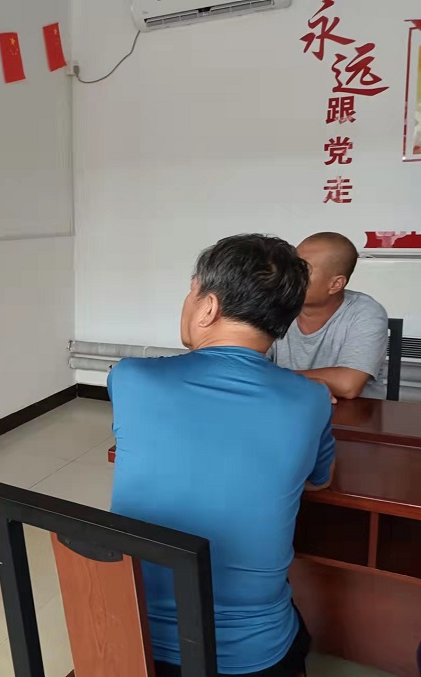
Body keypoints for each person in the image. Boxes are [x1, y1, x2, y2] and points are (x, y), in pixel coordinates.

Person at [109, 234, 336, 677]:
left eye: (191, 292)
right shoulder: (311, 400)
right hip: (253, 657)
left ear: (208, 307)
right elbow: (319, 481)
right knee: (295, 632)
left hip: (133, 639)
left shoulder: (131, 378)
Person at [271, 232, 388, 400]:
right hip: (289, 405)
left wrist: (273, 377)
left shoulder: (366, 312)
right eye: (290, 267)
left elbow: (349, 385)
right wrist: (313, 383)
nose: (288, 276)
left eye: (302, 270)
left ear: (335, 284)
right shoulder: (275, 306)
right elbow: (245, 370)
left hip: (354, 413)